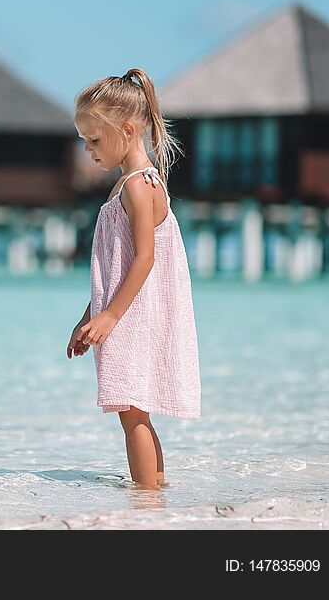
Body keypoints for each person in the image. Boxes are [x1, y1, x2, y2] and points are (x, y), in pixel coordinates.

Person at [66, 68, 202, 490]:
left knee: (132, 413)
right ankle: (153, 492)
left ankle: (146, 501)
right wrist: (89, 315)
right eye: (84, 140)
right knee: (133, 411)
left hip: (133, 318)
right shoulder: (125, 185)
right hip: (121, 311)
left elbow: (144, 259)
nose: (88, 150)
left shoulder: (140, 187)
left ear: (126, 129)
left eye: (94, 139)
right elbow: (113, 265)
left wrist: (109, 317)